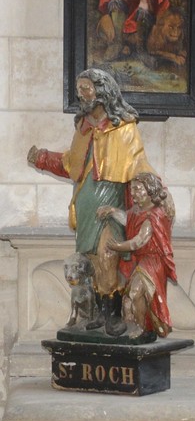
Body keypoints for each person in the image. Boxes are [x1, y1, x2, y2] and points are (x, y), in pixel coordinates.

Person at [27, 68, 154, 334]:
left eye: (86, 88)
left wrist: (157, 194)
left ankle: (115, 316)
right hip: (85, 204)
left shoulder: (124, 127)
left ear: (102, 90)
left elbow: (140, 165)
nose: (82, 94)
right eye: (79, 89)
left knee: (109, 255)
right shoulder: (83, 128)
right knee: (94, 262)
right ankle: (101, 314)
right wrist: (41, 158)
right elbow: (70, 164)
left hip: (111, 201)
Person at [98, 172, 177, 340]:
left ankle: (142, 329)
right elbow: (129, 219)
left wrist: (117, 246)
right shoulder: (137, 211)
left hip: (153, 261)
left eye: (137, 189)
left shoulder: (154, 215)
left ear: (149, 190)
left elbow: (139, 241)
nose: (133, 193)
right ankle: (138, 325)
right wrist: (112, 211)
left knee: (135, 293)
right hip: (142, 260)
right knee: (128, 300)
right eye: (132, 189)